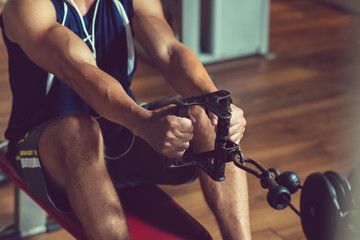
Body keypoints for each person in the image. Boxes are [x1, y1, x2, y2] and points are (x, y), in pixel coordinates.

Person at [0, 0, 251, 239]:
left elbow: (171, 52)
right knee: (79, 130)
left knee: (207, 116)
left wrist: (216, 103)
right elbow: (80, 70)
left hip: (118, 131)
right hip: (44, 148)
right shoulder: (29, 7)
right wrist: (142, 122)